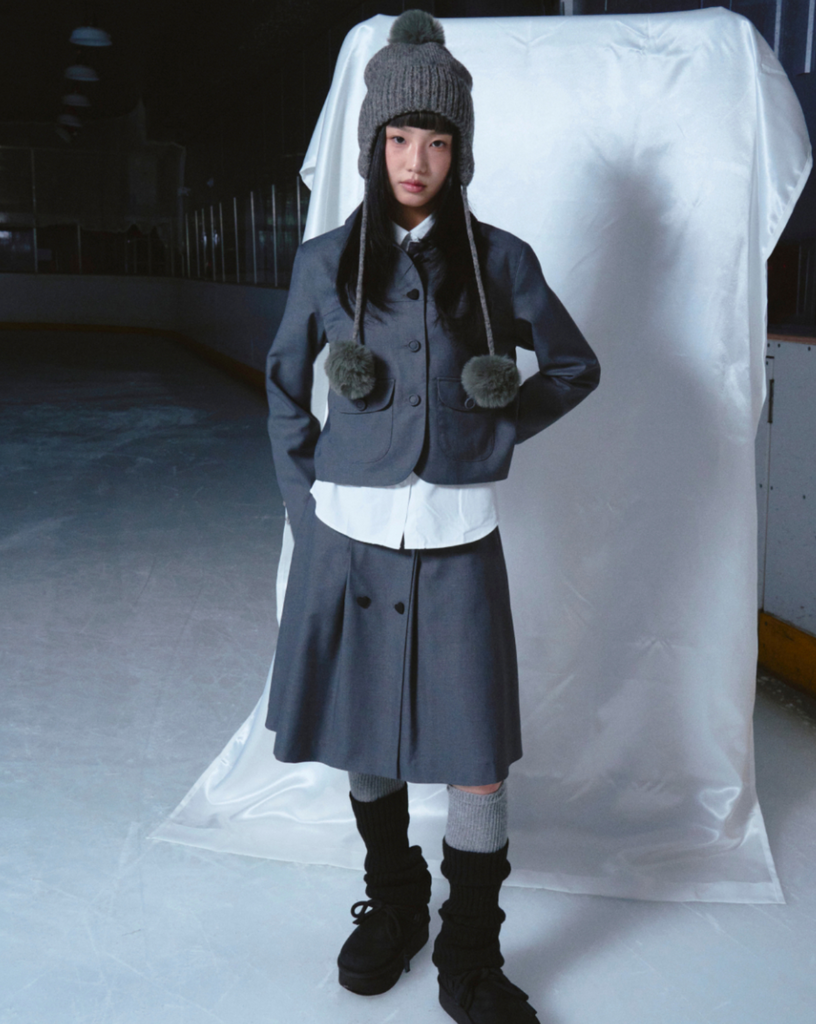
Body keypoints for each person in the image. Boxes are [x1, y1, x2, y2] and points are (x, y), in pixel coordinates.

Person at [263, 10, 600, 1024]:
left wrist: (493, 427)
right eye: (401, 137)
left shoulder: (499, 262)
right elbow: (284, 390)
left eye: (439, 140)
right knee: (367, 740)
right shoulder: (327, 261)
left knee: (475, 762)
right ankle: (397, 902)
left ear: (461, 152)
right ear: (373, 143)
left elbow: (575, 366)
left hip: (458, 543)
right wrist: (310, 514)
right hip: (348, 540)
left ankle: (470, 953)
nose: (417, 160)